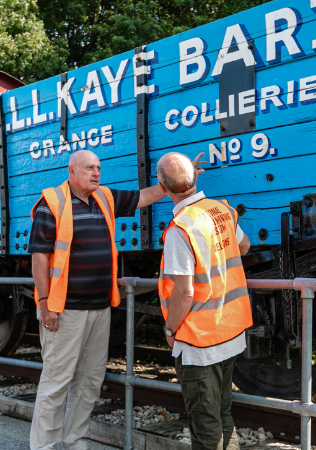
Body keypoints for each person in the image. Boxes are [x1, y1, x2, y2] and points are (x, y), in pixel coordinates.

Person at [28, 149, 202, 450]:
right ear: (71, 172)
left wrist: (178, 180)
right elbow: (39, 258)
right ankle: (43, 446)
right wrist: (45, 305)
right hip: (64, 310)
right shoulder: (52, 204)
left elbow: (142, 197)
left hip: (99, 308)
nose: (96, 173)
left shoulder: (104, 198)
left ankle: (73, 440)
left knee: (90, 380)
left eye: (98, 167)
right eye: (88, 168)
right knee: (57, 382)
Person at [156, 152, 253, 450]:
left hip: (199, 342)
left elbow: (184, 293)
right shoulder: (221, 211)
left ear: (163, 187)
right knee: (223, 414)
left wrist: (170, 330)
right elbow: (245, 246)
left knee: (205, 424)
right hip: (230, 331)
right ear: (195, 177)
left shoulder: (180, 229)